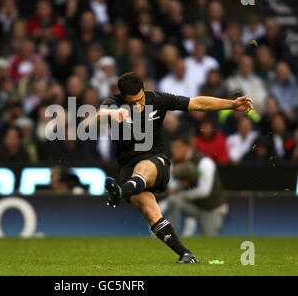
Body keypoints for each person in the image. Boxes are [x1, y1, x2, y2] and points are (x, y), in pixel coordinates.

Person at [96, 72, 253, 263]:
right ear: (122, 97)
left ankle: (120, 192)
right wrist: (112, 113)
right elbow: (98, 116)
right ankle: (186, 254)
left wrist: (232, 104)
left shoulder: (158, 100)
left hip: (155, 159)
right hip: (127, 168)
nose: (138, 106)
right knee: (150, 210)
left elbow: (198, 103)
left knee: (143, 168)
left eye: (140, 100)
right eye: (132, 103)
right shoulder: (114, 103)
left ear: (144, 89)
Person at [167, 135, 228, 236]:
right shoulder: (173, 163)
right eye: (172, 147)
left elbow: (204, 191)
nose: (173, 150)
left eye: (176, 147)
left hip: (211, 208)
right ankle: (171, 238)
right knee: (173, 201)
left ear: (187, 147)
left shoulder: (204, 162)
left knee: (209, 241)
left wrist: (182, 193)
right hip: (193, 205)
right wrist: (180, 185)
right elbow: (172, 188)